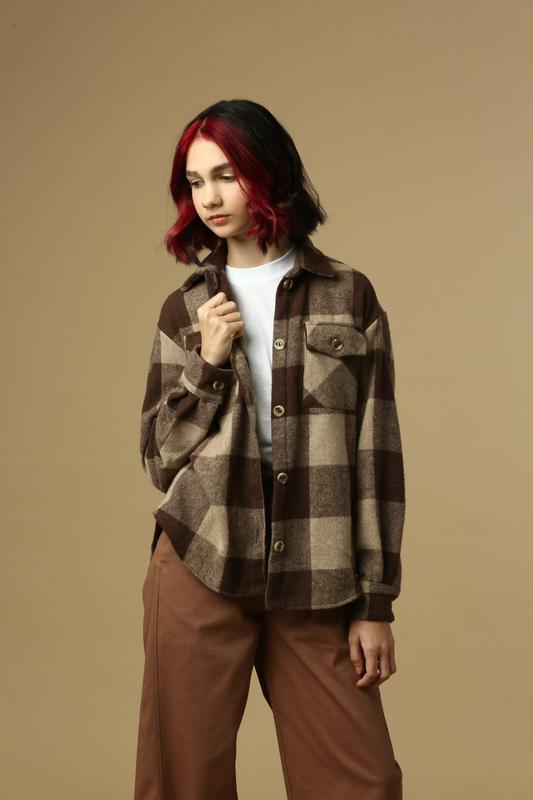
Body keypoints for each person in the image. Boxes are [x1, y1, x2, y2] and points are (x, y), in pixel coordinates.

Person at [134, 98, 405, 800]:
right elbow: (159, 458)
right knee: (184, 782)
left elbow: (376, 457)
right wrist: (208, 362)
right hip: (202, 556)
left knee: (361, 782)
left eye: (226, 175)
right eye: (195, 182)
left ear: (269, 171)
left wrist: (374, 602)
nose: (210, 198)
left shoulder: (348, 296)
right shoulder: (184, 308)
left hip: (317, 569)